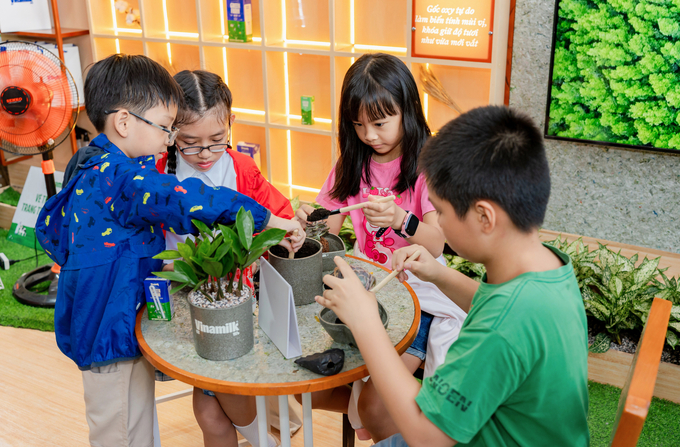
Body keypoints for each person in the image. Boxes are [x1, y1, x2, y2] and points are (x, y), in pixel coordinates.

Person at [35, 54, 304, 447]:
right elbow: (182, 199)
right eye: (164, 127)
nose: (168, 138)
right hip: (109, 326)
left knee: (134, 423)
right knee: (123, 430)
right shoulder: (122, 177)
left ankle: (277, 426)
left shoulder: (90, 163)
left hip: (111, 318)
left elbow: (51, 229)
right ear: (124, 122)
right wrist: (261, 219)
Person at [318, 105, 590, 446]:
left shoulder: (501, 327)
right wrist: (437, 275)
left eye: (442, 211)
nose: (439, 224)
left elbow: (427, 437)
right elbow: (490, 303)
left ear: (484, 217)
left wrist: (364, 320)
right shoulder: (546, 268)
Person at [295, 53, 467, 442]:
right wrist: (309, 225)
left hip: (419, 298)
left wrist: (398, 220)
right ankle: (375, 418)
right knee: (316, 386)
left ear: (407, 110)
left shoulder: (429, 165)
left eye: (379, 123)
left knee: (373, 405)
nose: (370, 135)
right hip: (370, 288)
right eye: (358, 125)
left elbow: (438, 243)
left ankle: (386, 421)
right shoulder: (350, 165)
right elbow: (329, 231)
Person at [156, 69, 296, 447]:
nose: (204, 154)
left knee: (208, 411)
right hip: (185, 310)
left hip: (238, 304)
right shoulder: (156, 176)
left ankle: (269, 436)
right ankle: (270, 439)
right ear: (170, 132)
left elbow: (278, 212)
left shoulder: (241, 169)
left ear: (231, 124)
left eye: (217, 140)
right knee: (212, 407)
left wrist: (289, 229)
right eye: (189, 143)